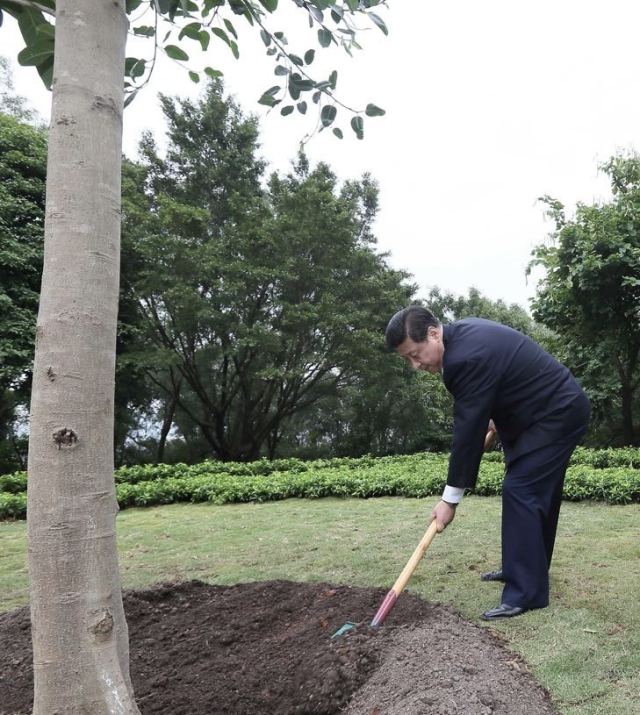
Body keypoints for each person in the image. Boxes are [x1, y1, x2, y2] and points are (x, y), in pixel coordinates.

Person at [385, 306, 591, 620]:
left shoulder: (463, 358)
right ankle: (522, 570)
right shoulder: (463, 338)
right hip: (536, 415)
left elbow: (468, 432)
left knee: (521, 489)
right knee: (532, 492)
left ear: (433, 333)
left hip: (556, 414)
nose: (415, 365)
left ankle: (527, 593)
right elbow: (496, 383)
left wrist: (449, 500)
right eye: (407, 359)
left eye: (415, 354)